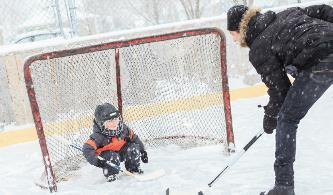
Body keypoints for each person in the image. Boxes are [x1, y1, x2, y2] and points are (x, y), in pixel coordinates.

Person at [227, 4, 333, 195]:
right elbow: (324, 10)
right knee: (293, 67)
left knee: (287, 119)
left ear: (239, 30)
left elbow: (281, 90)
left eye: (232, 33)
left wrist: (270, 117)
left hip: (321, 61)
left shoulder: (258, 48)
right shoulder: (286, 13)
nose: (233, 39)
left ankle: (283, 186)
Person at [82, 103, 148, 182]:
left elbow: (134, 138)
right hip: (108, 158)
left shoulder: (124, 130)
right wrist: (98, 161)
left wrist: (142, 151)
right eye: (110, 121)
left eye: (115, 119)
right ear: (101, 124)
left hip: (121, 152)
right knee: (112, 156)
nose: (114, 123)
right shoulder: (98, 136)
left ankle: (133, 168)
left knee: (133, 148)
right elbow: (87, 149)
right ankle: (111, 174)